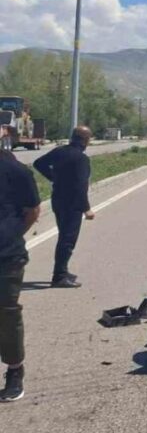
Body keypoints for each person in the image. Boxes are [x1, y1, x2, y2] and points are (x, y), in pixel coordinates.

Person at [0, 149, 41, 402]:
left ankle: (15, 370)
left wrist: (11, 235)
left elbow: (33, 211)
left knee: (6, 313)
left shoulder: (16, 171)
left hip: (6, 257)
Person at [32, 126, 95, 288]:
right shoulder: (81, 158)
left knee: (64, 236)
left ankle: (63, 271)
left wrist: (54, 178)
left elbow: (38, 163)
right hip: (72, 203)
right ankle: (59, 276)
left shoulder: (60, 151)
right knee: (67, 239)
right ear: (86, 140)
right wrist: (86, 208)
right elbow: (81, 186)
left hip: (58, 199)